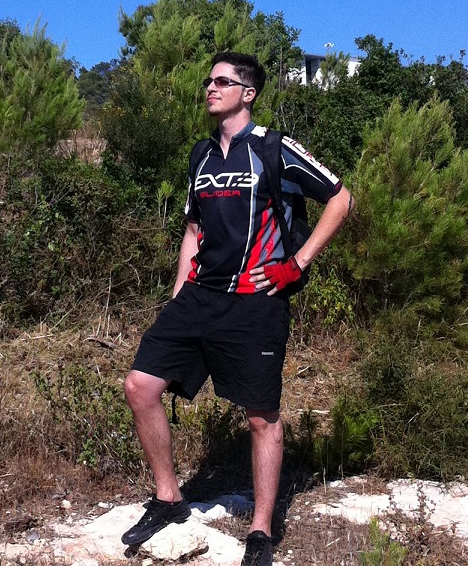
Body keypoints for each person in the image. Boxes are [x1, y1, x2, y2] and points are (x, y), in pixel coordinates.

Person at [122, 52, 354, 566]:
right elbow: (193, 230)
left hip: (256, 301)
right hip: (199, 295)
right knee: (140, 385)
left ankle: (261, 532)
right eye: (208, 80)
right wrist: (179, 293)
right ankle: (168, 498)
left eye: (223, 81)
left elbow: (342, 200)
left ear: (247, 93)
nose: (211, 87)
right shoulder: (200, 156)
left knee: (261, 418)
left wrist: (297, 263)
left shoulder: (275, 148)